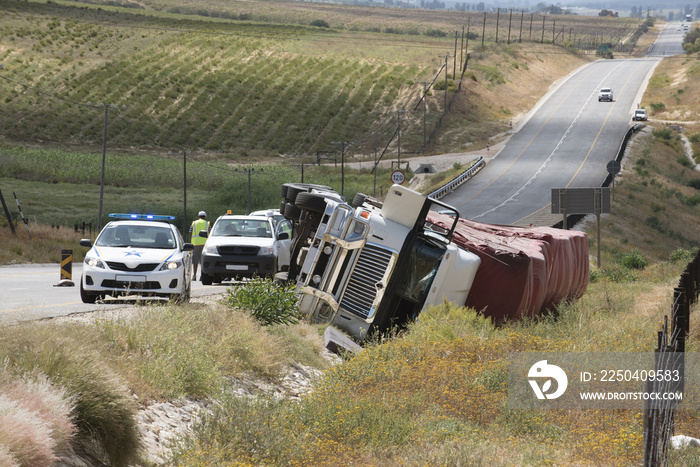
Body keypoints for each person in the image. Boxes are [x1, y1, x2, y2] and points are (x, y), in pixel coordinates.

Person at [189, 211, 210, 280]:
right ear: (205, 216)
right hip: (205, 244)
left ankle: (194, 276)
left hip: (195, 244)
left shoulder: (194, 223)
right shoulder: (207, 223)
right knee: (203, 261)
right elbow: (210, 232)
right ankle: (202, 276)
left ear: (198, 216)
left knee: (195, 261)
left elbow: (190, 233)